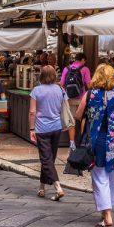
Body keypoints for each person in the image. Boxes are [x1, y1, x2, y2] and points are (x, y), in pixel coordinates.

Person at [76, 62, 114, 227]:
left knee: (99, 178)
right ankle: (108, 210)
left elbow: (78, 115)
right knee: (111, 178)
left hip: (97, 139)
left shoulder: (90, 95)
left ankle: (107, 214)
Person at [28, 65, 67, 201]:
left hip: (41, 128)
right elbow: (63, 106)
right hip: (56, 128)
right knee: (49, 159)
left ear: (41, 75)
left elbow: (32, 112)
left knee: (46, 159)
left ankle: (58, 187)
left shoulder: (36, 90)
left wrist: (31, 129)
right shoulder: (60, 89)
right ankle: (42, 187)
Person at [60, 52, 91, 146]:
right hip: (82, 99)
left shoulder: (66, 69)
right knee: (83, 119)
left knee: (72, 120)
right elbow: (89, 85)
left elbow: (61, 84)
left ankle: (72, 143)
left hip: (70, 99)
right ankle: (82, 142)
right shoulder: (85, 69)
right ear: (83, 60)